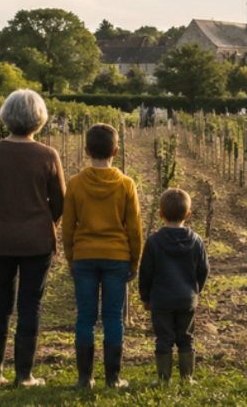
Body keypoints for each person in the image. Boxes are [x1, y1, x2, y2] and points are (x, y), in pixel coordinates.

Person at [0, 89, 65, 387]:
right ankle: (24, 374)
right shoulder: (48, 155)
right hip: (37, 240)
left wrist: (1, 215)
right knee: (30, 303)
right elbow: (60, 203)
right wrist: (43, 221)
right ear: (39, 119)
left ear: (6, 116)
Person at [62, 123, 142, 389]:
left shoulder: (74, 184)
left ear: (86, 151)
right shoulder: (126, 185)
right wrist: (135, 261)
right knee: (112, 317)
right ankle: (113, 379)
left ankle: (84, 379)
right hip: (117, 257)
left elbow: (68, 226)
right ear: (116, 151)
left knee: (85, 316)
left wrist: (71, 258)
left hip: (84, 256)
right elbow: (134, 228)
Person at [138, 188, 209, 385]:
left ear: (160, 214)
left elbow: (146, 272)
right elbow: (204, 270)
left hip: (161, 300)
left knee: (163, 339)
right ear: (188, 215)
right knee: (186, 338)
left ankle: (163, 379)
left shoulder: (153, 241)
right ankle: (187, 378)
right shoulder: (196, 241)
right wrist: (195, 291)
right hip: (186, 298)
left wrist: (146, 297)